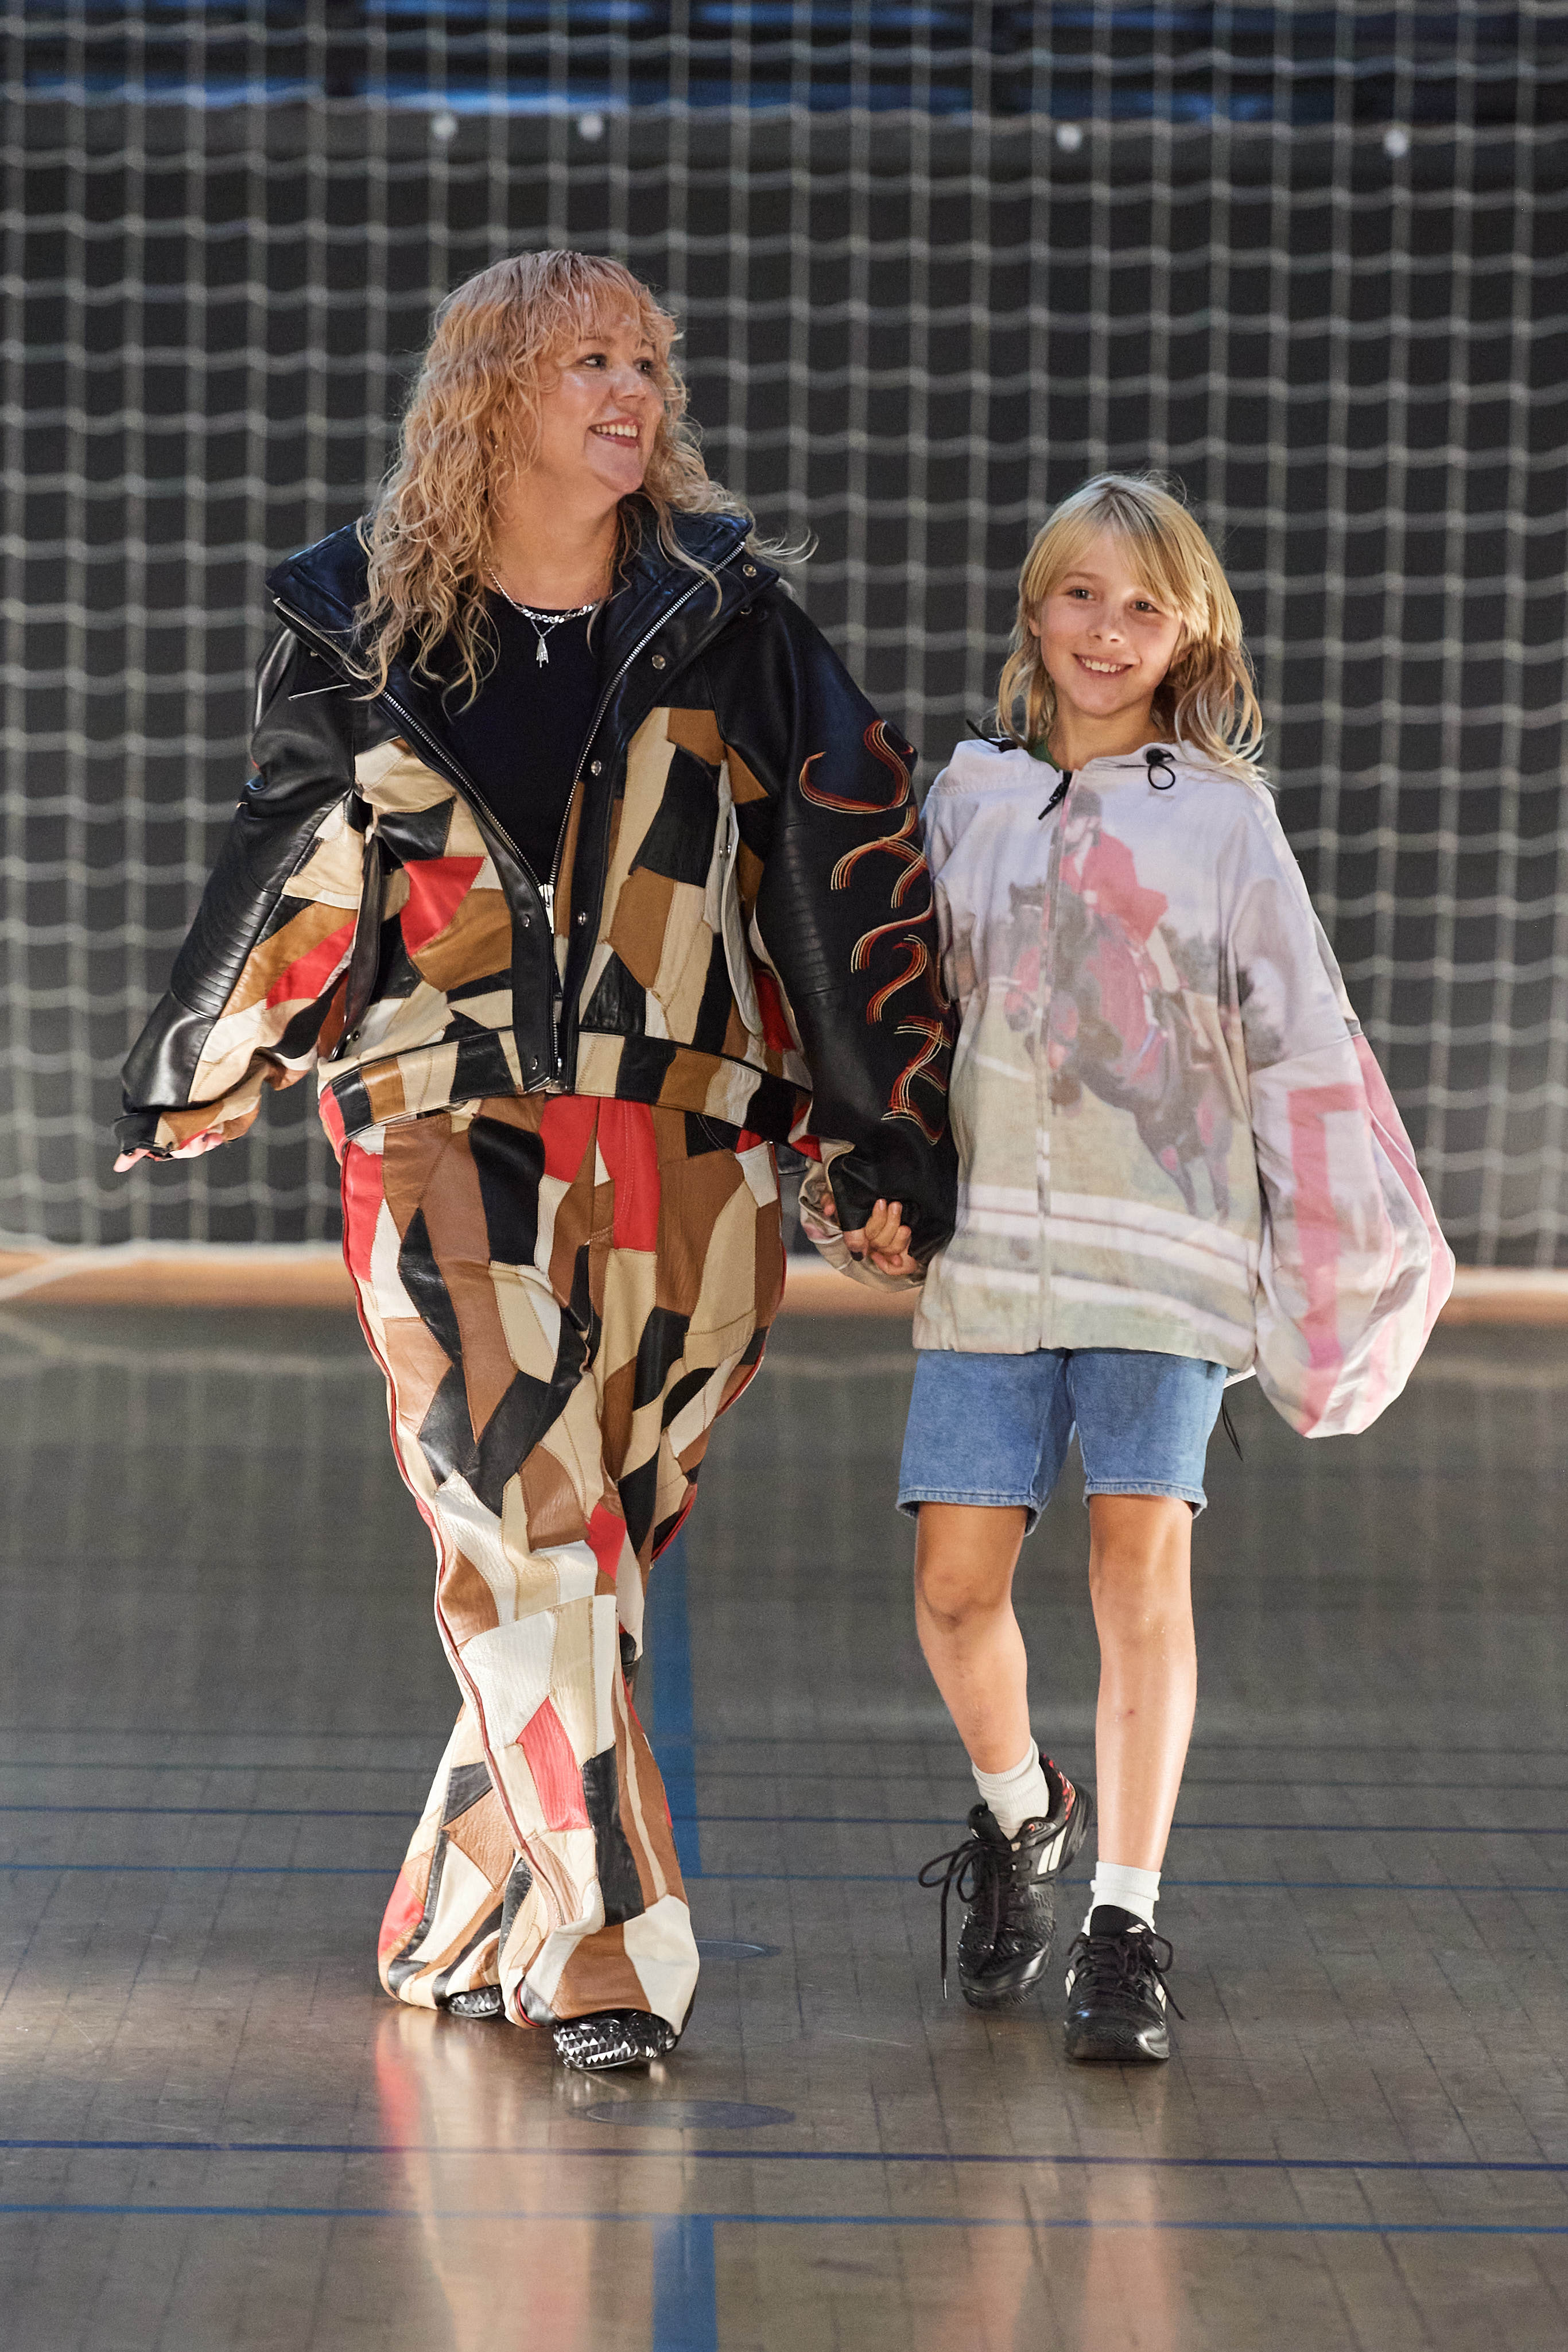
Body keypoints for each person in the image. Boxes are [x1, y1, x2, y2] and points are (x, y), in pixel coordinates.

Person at [115, 250, 955, 2071]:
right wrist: (206, 1050)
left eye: (648, 360)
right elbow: (294, 850)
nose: (634, 389)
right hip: (440, 1126)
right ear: (490, 389)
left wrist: (880, 1123)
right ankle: (605, 1955)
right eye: (589, 359)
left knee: (594, 1551)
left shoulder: (733, 621)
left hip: (693, 1140)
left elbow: (842, 863)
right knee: (523, 1524)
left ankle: (457, 1916)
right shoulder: (358, 620)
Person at [874, 473, 1451, 2062]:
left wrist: (1326, 1243)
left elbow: (1304, 1040)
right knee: (952, 1590)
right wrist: (861, 1181)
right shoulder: (969, 798)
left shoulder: (1223, 820)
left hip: (1170, 1247)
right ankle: (1024, 1809)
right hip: (993, 1255)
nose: (1107, 629)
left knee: (1137, 1570)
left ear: (1190, 631)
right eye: (1079, 593)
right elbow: (904, 1024)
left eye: (1142, 604)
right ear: (1033, 609)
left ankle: (1122, 1922)